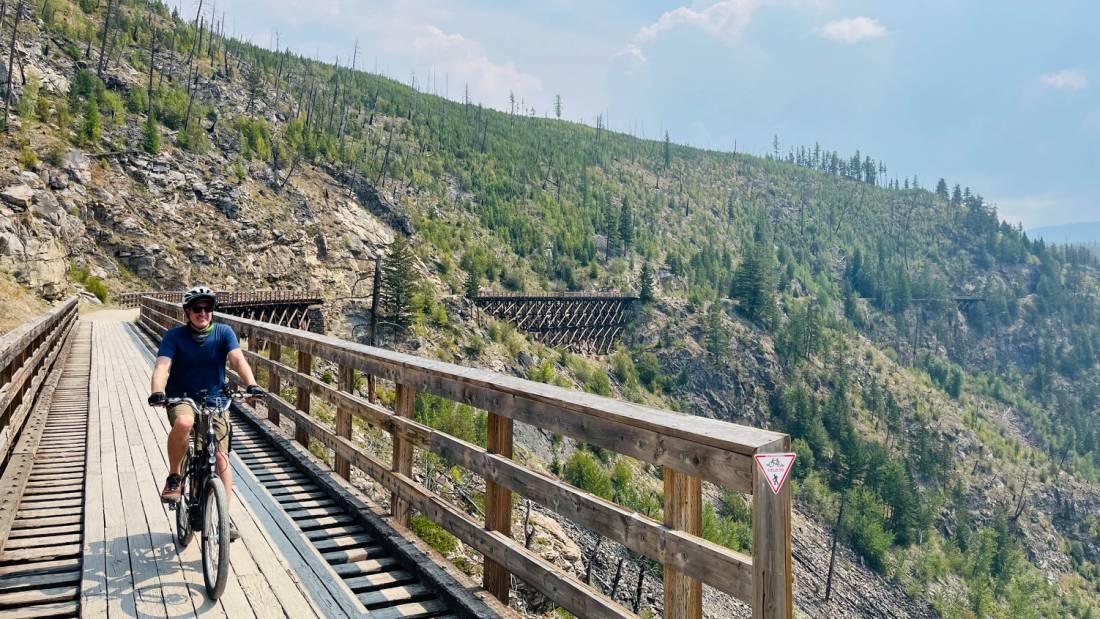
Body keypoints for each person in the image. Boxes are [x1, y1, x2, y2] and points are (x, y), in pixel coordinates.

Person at [147, 286, 265, 542]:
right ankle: (175, 475)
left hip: (215, 399)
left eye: (207, 308)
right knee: (184, 421)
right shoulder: (174, 336)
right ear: (187, 311)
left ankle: (223, 517)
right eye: (197, 309)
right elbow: (162, 366)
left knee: (221, 458)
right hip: (182, 397)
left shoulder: (224, 332)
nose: (203, 313)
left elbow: (237, 360)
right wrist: (157, 391)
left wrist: (251, 384)